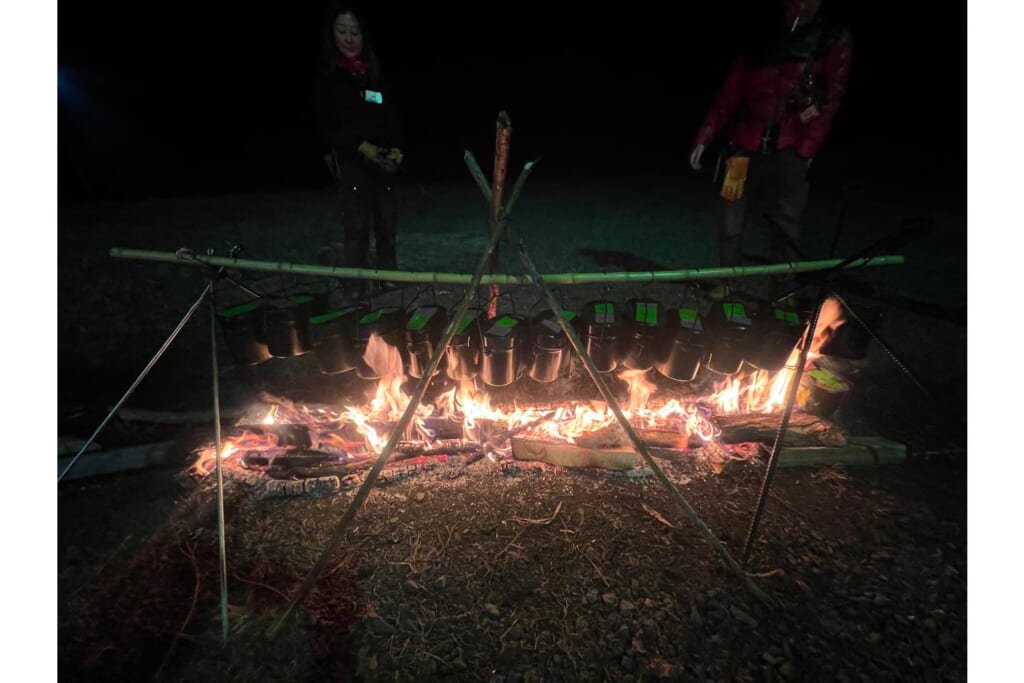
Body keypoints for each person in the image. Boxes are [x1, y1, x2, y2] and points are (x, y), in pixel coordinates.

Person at [688, 0, 852, 297]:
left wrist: (807, 147)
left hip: (791, 147)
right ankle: (728, 281)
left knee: (786, 223)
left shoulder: (831, 38)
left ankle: (783, 290)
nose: (803, 6)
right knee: (730, 214)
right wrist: (705, 137)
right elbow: (730, 92)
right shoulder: (760, 37)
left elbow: (831, 99)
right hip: (743, 144)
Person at [314, 4, 403, 294]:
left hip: (383, 165)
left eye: (355, 31)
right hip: (353, 165)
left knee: (387, 227)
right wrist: (361, 147)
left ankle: (390, 280)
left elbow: (390, 115)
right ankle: (356, 286)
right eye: (343, 31)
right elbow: (329, 125)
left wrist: (395, 150)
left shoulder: (373, 73)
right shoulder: (330, 76)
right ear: (333, 35)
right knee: (356, 229)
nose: (349, 38)